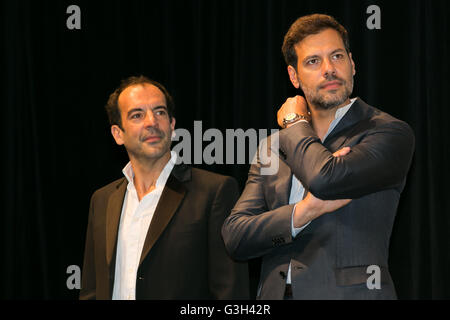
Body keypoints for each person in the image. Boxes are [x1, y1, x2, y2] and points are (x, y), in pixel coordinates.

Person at [222, 14, 415, 299]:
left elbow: (325, 179)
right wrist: (303, 213)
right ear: (293, 77)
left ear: (352, 64)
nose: (329, 69)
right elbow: (236, 237)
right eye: (313, 61)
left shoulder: (388, 132)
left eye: (337, 56)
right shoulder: (273, 147)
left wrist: (294, 122)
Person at [80, 76, 249, 300]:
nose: (151, 121)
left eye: (159, 112)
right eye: (137, 115)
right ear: (117, 134)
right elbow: (92, 290)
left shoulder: (213, 192)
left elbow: (229, 294)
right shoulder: (102, 200)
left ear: (172, 125)